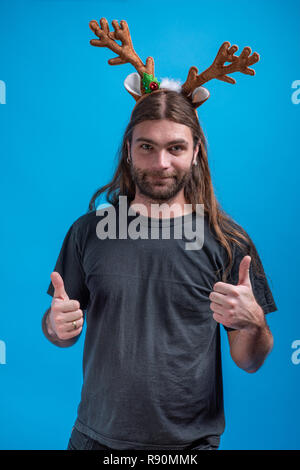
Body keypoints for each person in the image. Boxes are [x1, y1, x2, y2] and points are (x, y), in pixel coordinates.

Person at [42, 87, 277, 451]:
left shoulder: (228, 241)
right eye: (147, 146)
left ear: (196, 152)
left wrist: (255, 322)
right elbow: (61, 334)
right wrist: (56, 326)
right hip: (93, 439)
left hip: (188, 447)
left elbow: (249, 361)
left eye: (176, 148)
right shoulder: (87, 232)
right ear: (129, 150)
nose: (161, 163)